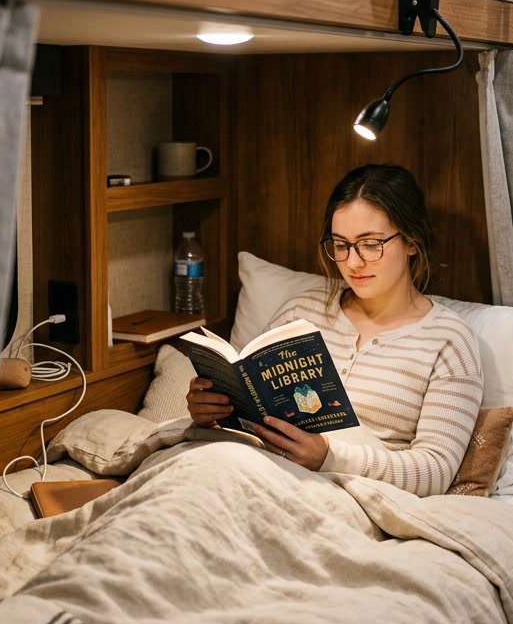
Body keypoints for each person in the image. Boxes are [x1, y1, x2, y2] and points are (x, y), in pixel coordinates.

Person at [186, 164, 483, 497]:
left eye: (370, 244)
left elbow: (435, 471)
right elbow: (253, 401)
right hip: (252, 467)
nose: (353, 263)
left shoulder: (448, 340)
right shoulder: (302, 312)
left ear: (412, 242)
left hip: (347, 495)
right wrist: (212, 412)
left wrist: (329, 457)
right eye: (341, 245)